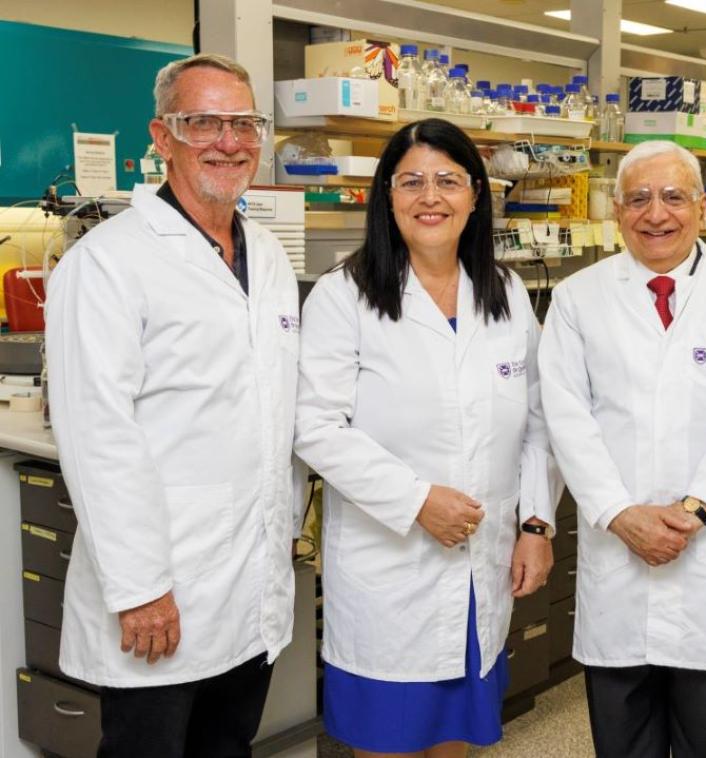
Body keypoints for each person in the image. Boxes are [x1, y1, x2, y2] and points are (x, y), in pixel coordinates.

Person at [45, 53, 301, 757]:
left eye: (243, 122)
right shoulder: (108, 263)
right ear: (162, 137)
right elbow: (98, 436)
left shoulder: (270, 256)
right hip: (161, 591)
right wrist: (139, 588)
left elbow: (274, 411)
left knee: (227, 748)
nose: (229, 140)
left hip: (249, 585)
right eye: (204, 123)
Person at [293, 118, 557, 758]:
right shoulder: (343, 296)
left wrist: (535, 525)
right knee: (388, 741)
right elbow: (316, 426)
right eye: (411, 181)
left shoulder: (506, 293)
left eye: (447, 180)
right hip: (392, 577)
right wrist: (416, 500)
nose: (429, 197)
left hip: (481, 571)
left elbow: (540, 420)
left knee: (454, 745)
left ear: (475, 195)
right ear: (387, 195)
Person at [539, 139, 706, 758]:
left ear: (702, 207)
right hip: (616, 551)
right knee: (623, 742)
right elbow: (566, 417)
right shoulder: (579, 298)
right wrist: (621, 515)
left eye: (674, 197)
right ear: (619, 210)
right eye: (640, 199)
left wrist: (695, 512)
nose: (657, 214)